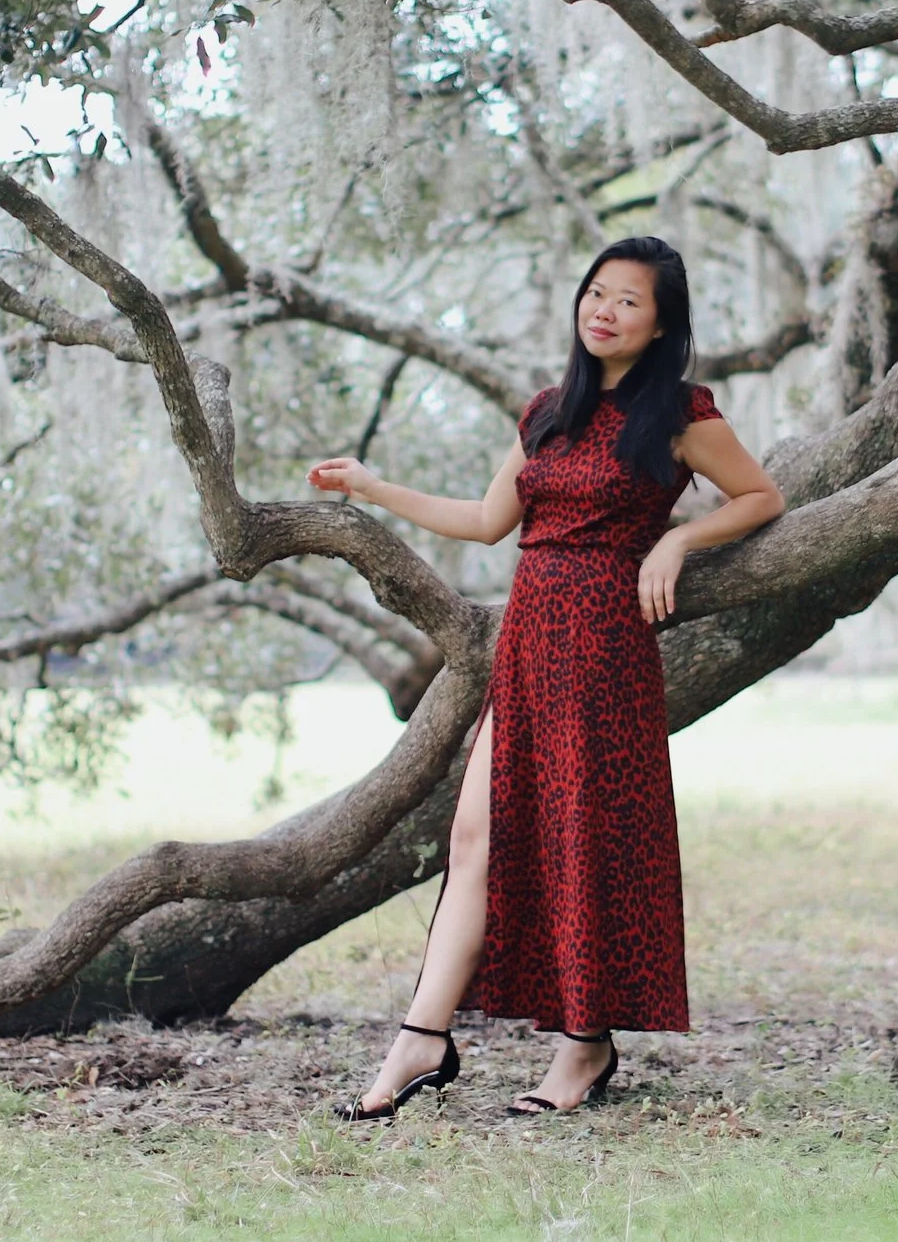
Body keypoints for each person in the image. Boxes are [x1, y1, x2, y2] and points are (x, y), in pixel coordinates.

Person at [308, 236, 786, 1119]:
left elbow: (761, 498)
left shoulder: (681, 414)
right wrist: (374, 488)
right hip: (529, 646)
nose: (603, 310)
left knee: (583, 846)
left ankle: (583, 1049)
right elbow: (488, 521)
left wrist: (679, 537)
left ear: (662, 324)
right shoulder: (546, 413)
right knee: (474, 841)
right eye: (595, 293)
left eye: (628, 301)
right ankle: (422, 1040)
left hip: (605, 650)